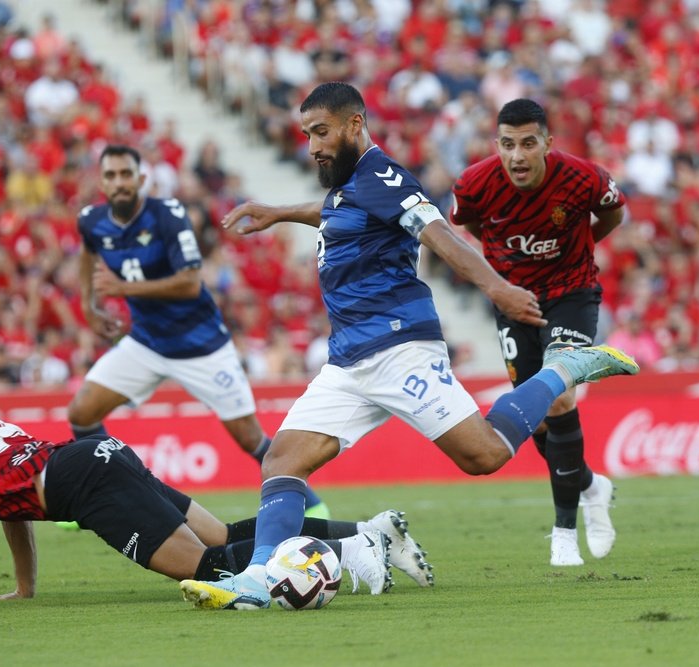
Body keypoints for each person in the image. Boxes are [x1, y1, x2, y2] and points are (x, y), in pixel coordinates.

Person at [179, 82, 639, 610]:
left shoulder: (384, 176)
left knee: (484, 455)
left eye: (322, 132)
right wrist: (279, 212)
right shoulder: (352, 185)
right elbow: (336, 209)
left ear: (355, 125)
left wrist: (497, 288)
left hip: (399, 349)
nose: (313, 146)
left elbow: (438, 233)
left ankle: (568, 368)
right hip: (348, 360)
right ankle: (258, 578)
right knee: (282, 460)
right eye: (307, 135)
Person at [0, 387, 433, 598]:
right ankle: (367, 532)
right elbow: (7, 494)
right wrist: (25, 587)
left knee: (211, 569)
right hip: (95, 455)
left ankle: (350, 557)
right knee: (225, 537)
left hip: (81, 483)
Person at [67, 144, 328, 519]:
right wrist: (91, 309)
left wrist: (122, 290)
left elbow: (190, 283)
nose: (119, 182)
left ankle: (312, 504)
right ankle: (101, 494)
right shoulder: (92, 220)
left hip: (201, 346)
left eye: (126, 174)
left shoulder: (168, 215)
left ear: (141, 179)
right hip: (147, 343)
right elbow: (86, 256)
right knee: (82, 413)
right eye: (111, 175)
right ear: (102, 182)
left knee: (250, 439)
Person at [449, 98, 627, 567]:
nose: (518, 155)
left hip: (571, 292)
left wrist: (584, 246)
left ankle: (563, 533)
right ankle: (591, 485)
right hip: (513, 302)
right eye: (508, 144)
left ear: (547, 143)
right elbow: (463, 226)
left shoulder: (584, 178)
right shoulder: (474, 184)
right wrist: (503, 278)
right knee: (539, 424)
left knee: (559, 396)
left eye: (528, 143)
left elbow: (613, 214)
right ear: (497, 145)